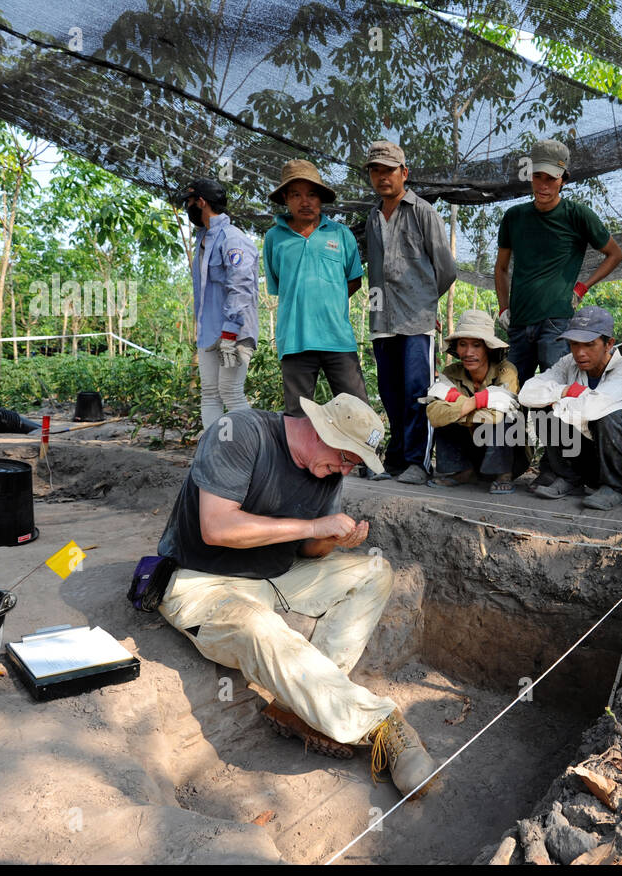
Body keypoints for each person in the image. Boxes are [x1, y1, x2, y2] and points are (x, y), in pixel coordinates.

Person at [155, 393, 437, 798]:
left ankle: (301, 707)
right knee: (258, 627)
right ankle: (379, 723)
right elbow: (216, 527)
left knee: (374, 571)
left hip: (277, 575)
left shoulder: (329, 470)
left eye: (354, 463)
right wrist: (312, 527)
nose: (345, 469)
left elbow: (311, 550)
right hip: (201, 581)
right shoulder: (239, 433)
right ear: (322, 429)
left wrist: (333, 541)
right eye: (346, 457)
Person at [363, 140, 457, 485]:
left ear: (404, 172)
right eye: (375, 170)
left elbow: (446, 269)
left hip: (416, 321)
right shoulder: (373, 217)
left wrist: (425, 303)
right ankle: (397, 459)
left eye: (389, 170)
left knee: (418, 391)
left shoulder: (422, 211)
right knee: (389, 392)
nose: (382, 177)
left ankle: (419, 462)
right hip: (382, 320)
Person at [494, 139, 622, 382]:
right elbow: (501, 268)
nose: (543, 185)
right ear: (530, 176)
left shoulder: (577, 215)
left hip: (556, 323)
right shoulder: (514, 217)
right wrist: (503, 307)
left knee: (555, 396)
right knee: (510, 396)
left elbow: (615, 254)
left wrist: (583, 286)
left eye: (551, 178)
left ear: (563, 179)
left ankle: (554, 422)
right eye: (538, 176)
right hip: (519, 323)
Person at [518, 306, 622, 510]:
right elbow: (527, 393)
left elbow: (592, 409)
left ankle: (614, 488)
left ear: (608, 344)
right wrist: (566, 391)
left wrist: (558, 398)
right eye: (574, 344)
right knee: (542, 406)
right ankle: (569, 478)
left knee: (608, 414)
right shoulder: (568, 363)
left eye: (589, 345)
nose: (580, 353)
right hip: (587, 456)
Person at [263, 159, 369, 417]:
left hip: (338, 339)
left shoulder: (341, 234)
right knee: (298, 417)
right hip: (295, 340)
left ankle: (366, 459)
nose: (305, 201)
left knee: (358, 413)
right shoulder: (274, 238)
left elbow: (354, 278)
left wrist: (331, 302)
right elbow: (279, 285)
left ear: (321, 198)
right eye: (296, 195)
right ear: (286, 199)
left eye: (312, 194)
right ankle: (304, 460)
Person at [180, 178, 259, 430]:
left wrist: (230, 333)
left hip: (231, 333)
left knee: (231, 392)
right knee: (210, 394)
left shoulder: (233, 239)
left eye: (190, 202)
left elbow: (241, 287)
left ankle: (253, 452)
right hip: (208, 332)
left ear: (201, 202)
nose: (188, 207)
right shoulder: (203, 239)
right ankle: (214, 451)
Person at [423, 309, 528, 493]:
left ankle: (503, 474)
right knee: (444, 414)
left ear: (488, 347)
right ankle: (464, 471)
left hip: (508, 452)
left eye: (476, 345)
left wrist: (456, 406)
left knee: (508, 415)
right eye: (463, 344)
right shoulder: (451, 373)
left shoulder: (506, 370)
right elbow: (434, 414)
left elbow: (497, 414)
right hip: (470, 450)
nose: (469, 352)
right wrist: (478, 401)